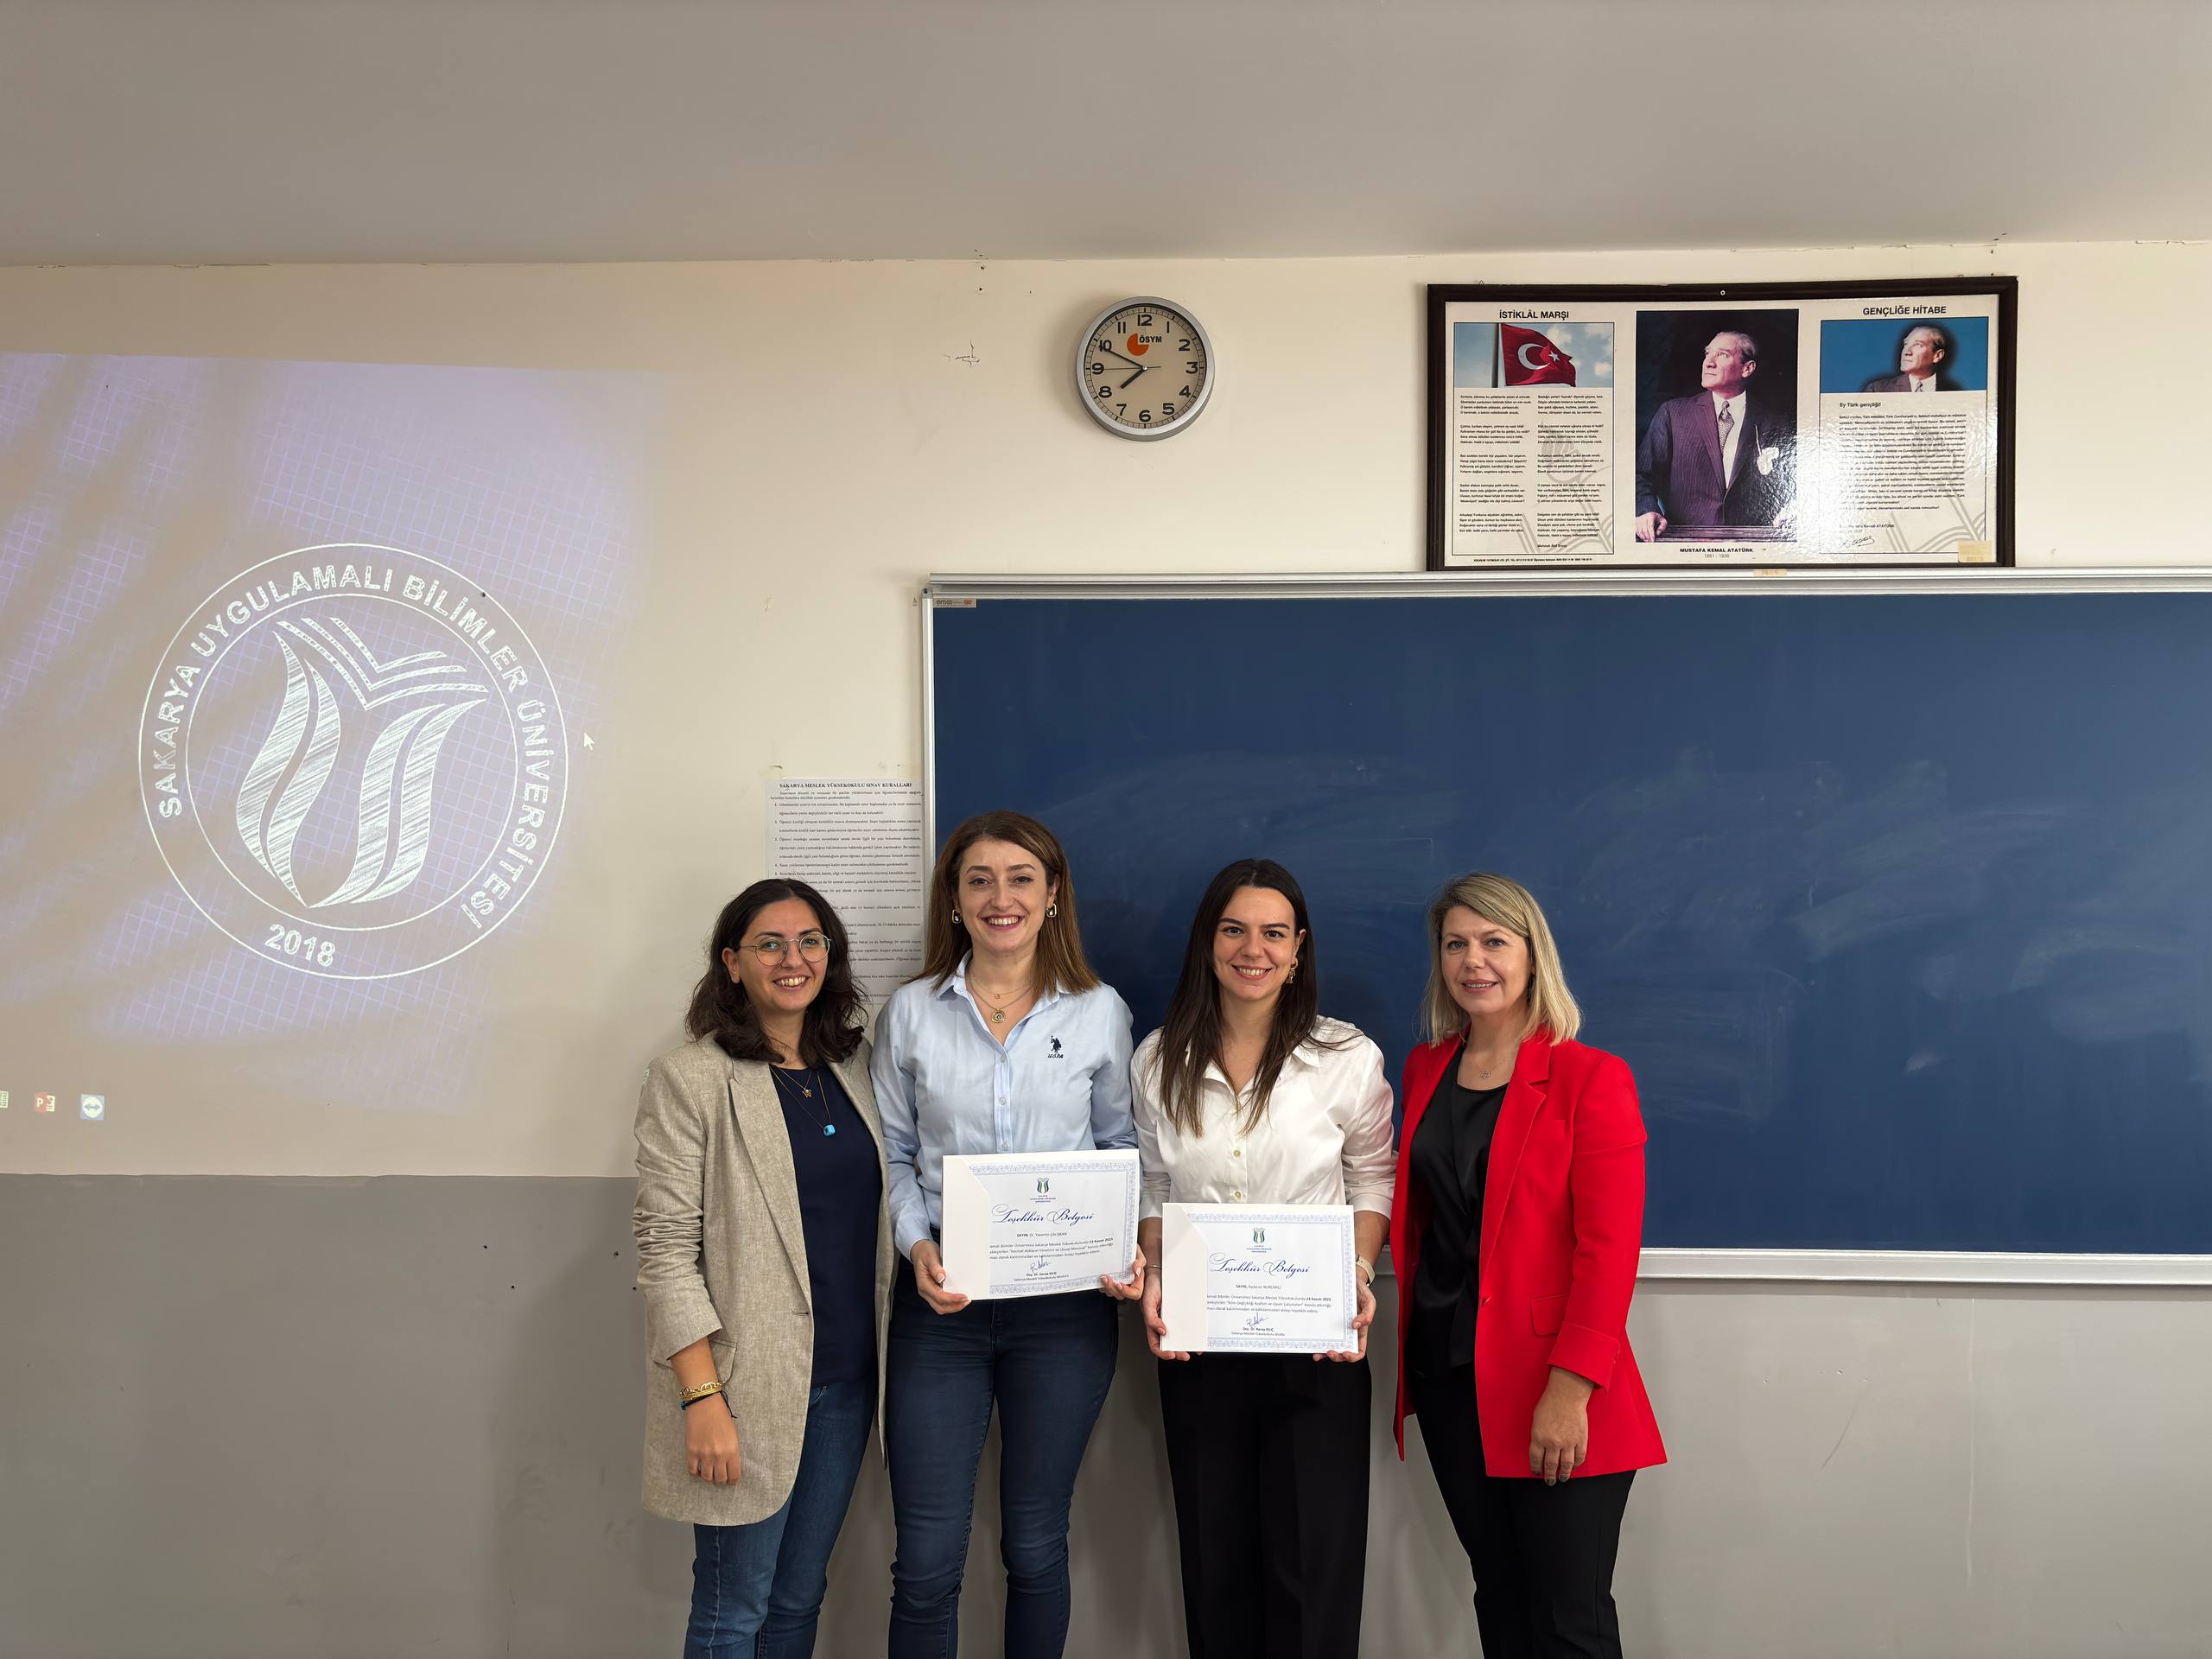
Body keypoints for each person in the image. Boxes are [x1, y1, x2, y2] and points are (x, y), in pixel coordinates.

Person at [872, 810, 1144, 1659]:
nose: (1001, 898)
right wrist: (916, 1246)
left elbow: (1122, 1148)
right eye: (979, 880)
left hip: (1063, 1317)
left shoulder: (1099, 1013)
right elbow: (894, 1154)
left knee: (1033, 1545)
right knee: (924, 1560)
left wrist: (1121, 1244)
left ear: (1053, 895)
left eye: (1021, 879)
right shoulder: (910, 1014)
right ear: (952, 901)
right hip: (940, 1312)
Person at [1389, 873, 1666, 1659]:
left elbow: (1609, 1251)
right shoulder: (1424, 1070)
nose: (1474, 961)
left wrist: (1569, 1388)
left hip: (1551, 1384)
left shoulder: (1589, 1078)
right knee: (1500, 1598)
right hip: (1449, 1381)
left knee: (1569, 1619)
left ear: (1530, 953)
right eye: (1455, 944)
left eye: (1493, 942)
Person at [1134, 859, 1395, 1659]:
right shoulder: (1156, 1059)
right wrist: (1154, 1278)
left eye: (1273, 933)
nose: (1254, 949)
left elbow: (1372, 1177)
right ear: (1208, 943)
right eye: (1234, 929)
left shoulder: (1345, 1056)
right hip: (1200, 1345)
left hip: (1315, 1343)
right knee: (1217, 1570)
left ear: (1299, 947)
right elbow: (1151, 1185)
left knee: (1312, 1571)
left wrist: (1354, 1274)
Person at [632, 878, 893, 1658]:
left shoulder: (856, 1069)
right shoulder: (692, 1078)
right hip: (743, 1391)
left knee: (797, 1600)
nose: (793, 958)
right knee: (731, 1612)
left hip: (847, 1383)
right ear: (732, 964)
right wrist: (702, 1397)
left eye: (810, 940)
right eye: (770, 944)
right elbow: (665, 1252)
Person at [1634, 328, 1796, 540]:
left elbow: (1792, 482)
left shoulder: (1774, 423)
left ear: (1747, 368)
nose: (1709, 362)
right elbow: (1642, 475)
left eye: (1722, 355)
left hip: (1750, 547)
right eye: (1707, 354)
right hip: (1684, 544)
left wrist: (1794, 508)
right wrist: (1646, 510)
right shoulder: (1673, 414)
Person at [1862, 323, 1962, 392]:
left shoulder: (1955, 392)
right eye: (1906, 344)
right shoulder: (1877, 390)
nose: (1907, 352)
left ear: (1937, 356)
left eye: (1918, 345)